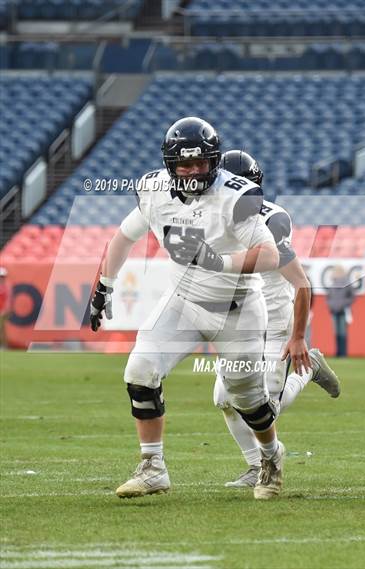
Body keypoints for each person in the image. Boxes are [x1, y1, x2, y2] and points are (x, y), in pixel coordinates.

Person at [90, 117, 289, 500]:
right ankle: (153, 467)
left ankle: (270, 457)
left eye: (201, 164)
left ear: (214, 162)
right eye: (186, 164)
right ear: (170, 164)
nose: (194, 172)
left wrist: (219, 262)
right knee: (140, 369)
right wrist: (104, 286)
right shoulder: (153, 191)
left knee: (246, 398)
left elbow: (269, 254)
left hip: (239, 310)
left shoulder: (235, 195)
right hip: (183, 301)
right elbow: (122, 237)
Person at [213, 150, 341, 488]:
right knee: (223, 399)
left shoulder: (270, 220)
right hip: (242, 321)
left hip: (273, 318)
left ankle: (307, 368)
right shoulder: (214, 217)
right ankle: (257, 465)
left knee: (264, 406)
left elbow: (301, 282)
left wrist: (297, 336)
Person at [326, 265, 355, 357]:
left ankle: (343, 352)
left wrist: (343, 303)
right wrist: (330, 305)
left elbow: (352, 297)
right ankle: (338, 352)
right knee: (337, 332)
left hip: (343, 310)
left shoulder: (347, 284)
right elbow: (329, 297)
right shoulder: (333, 284)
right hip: (334, 311)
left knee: (342, 332)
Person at [0, 267, 11, 349]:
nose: (1, 278)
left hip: (3, 311)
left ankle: (4, 346)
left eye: (3, 276)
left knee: (1, 329)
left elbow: (8, 300)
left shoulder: (7, 287)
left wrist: (4, 310)